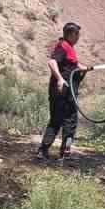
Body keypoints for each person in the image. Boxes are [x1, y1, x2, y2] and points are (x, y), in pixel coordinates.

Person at [38, 21, 88, 159]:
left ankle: (59, 151)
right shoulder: (63, 46)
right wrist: (60, 79)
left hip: (68, 93)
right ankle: (48, 151)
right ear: (72, 34)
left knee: (66, 122)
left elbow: (71, 63)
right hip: (62, 93)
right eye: (77, 35)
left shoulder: (69, 48)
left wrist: (83, 67)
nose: (79, 38)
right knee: (62, 121)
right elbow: (52, 62)